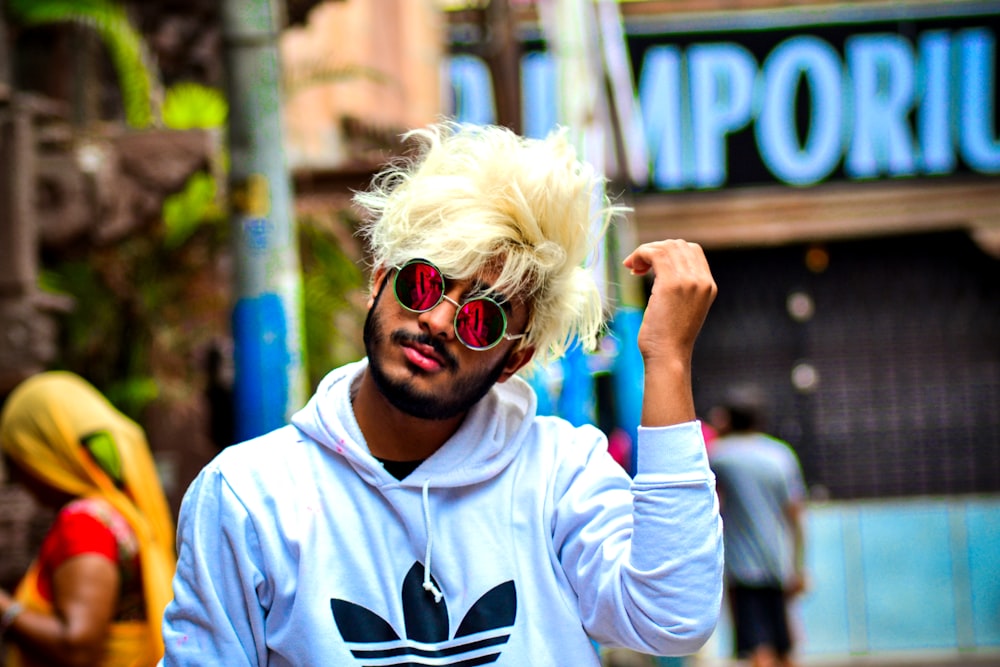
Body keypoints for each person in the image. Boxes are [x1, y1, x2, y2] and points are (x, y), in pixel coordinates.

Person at [161, 121, 723, 665]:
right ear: (379, 281)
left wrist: (668, 359)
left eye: (483, 319)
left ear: (514, 361)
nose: (437, 320)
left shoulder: (560, 472)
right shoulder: (249, 494)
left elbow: (671, 618)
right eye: (422, 283)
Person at [0, 371, 177, 667]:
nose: (16, 477)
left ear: (46, 451)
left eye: (17, 457)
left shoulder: (84, 522)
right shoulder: (121, 511)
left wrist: (4, 608)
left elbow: (77, 646)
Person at [707, 384, 808, 667]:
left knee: (757, 649)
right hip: (777, 564)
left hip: (741, 568)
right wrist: (798, 567)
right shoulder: (781, 455)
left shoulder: (720, 455)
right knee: (784, 647)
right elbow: (797, 516)